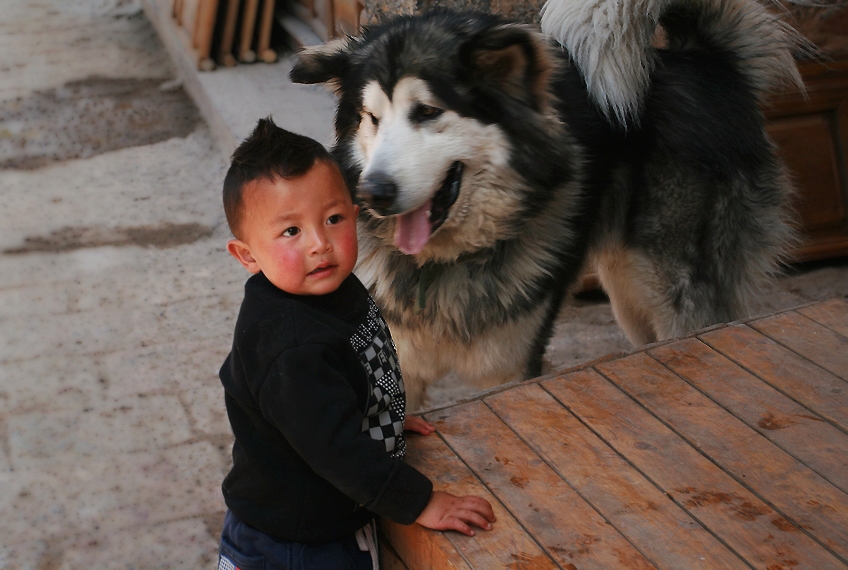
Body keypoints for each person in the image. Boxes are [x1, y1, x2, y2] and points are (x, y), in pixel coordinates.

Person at [217, 117, 496, 570]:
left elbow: (346, 381)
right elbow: (334, 447)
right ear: (247, 255)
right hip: (294, 544)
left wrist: (378, 417)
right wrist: (420, 502)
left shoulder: (330, 287)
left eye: (333, 219)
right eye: (291, 231)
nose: (320, 245)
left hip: (331, 515)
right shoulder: (289, 346)